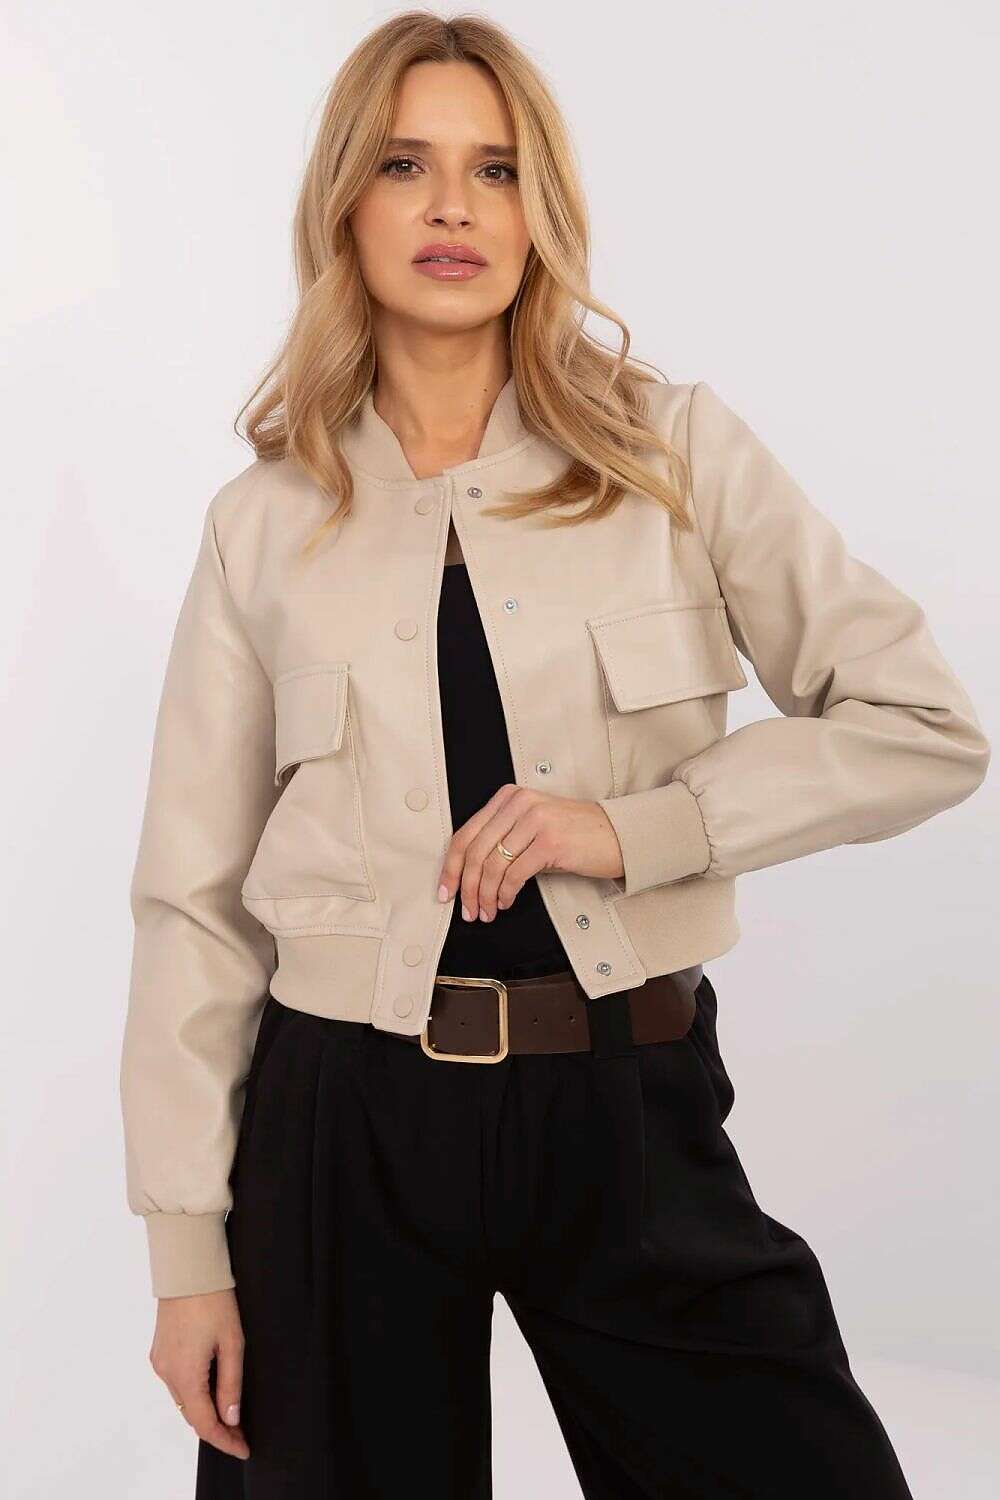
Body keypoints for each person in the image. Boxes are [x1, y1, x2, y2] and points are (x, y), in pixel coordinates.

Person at [119, 12, 990, 1498]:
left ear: (542, 215)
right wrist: (188, 1254)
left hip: (627, 1100)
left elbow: (922, 727)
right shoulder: (263, 523)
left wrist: (636, 828)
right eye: (406, 164)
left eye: (497, 170)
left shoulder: (673, 453)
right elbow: (192, 903)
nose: (453, 207)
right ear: (345, 206)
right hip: (342, 1125)